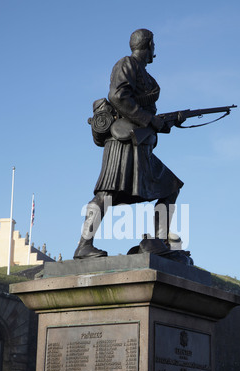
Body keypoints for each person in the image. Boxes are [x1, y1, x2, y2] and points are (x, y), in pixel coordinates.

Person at [74, 29, 184, 259]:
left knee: (171, 186)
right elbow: (117, 96)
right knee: (106, 195)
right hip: (123, 142)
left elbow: (147, 113)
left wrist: (164, 123)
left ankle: (155, 243)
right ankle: (84, 245)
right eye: (154, 45)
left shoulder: (146, 76)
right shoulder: (126, 64)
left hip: (141, 146)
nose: (155, 50)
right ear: (150, 45)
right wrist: (150, 120)